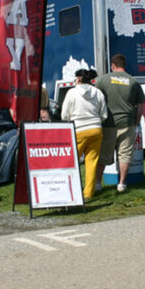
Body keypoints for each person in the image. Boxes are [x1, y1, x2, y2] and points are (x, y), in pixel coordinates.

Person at [95, 54, 145, 193]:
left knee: (103, 155)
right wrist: (135, 123)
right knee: (125, 154)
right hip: (127, 123)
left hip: (108, 124)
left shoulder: (102, 80)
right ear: (124, 65)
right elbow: (141, 107)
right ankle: (122, 184)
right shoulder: (133, 81)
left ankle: (97, 184)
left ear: (113, 65)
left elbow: (96, 100)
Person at [61, 68, 107, 200]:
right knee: (91, 162)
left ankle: (70, 191)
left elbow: (64, 115)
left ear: (79, 79)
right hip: (96, 129)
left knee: (72, 162)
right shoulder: (98, 92)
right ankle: (88, 193)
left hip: (78, 130)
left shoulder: (72, 93)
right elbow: (104, 114)